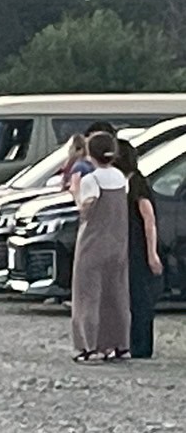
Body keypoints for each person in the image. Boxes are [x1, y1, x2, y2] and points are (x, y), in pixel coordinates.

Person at [70, 131, 131, 364]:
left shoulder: (91, 180)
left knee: (88, 296)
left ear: (90, 154)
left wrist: (75, 194)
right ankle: (119, 344)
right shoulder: (120, 178)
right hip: (118, 243)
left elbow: (86, 209)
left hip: (93, 243)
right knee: (116, 295)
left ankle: (89, 346)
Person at [118, 138, 162, 360]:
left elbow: (149, 219)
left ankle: (142, 346)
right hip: (128, 246)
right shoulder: (126, 182)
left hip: (139, 247)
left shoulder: (138, 184)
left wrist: (151, 253)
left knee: (140, 299)